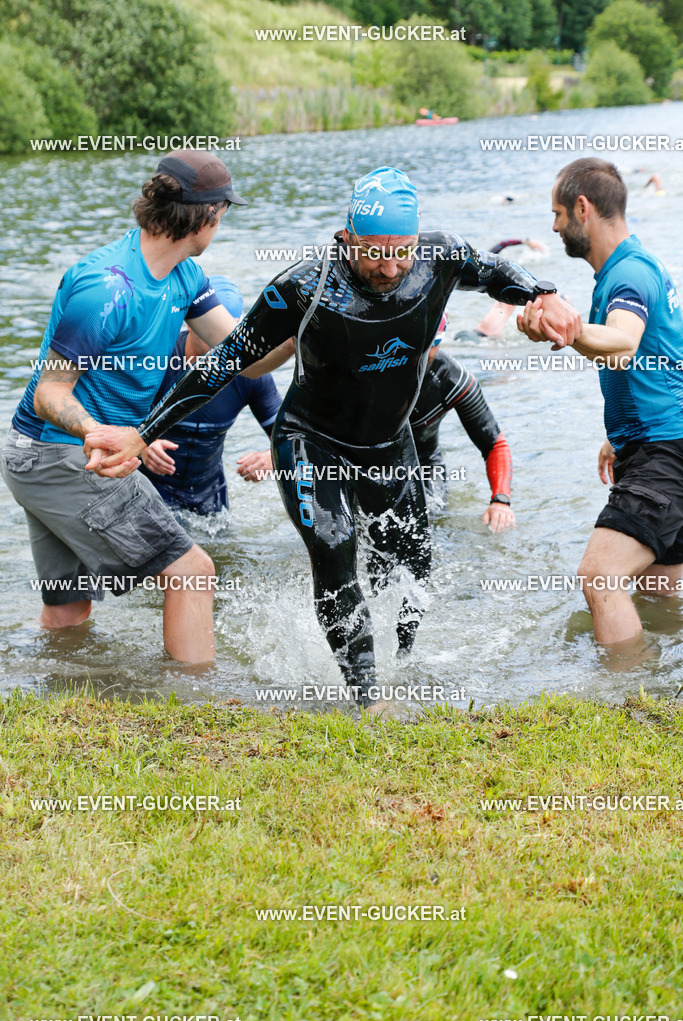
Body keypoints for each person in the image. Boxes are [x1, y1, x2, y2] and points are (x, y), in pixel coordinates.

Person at [86, 166, 577, 712]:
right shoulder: (303, 287)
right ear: (345, 240)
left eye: (401, 252)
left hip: (388, 444)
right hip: (309, 440)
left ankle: (405, 668)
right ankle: (368, 698)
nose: (389, 268)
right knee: (334, 542)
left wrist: (544, 292)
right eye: (373, 253)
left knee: (412, 563)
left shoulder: (441, 257)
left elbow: (493, 271)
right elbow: (224, 364)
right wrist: (142, 434)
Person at [0, 150, 249, 664]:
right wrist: (100, 432)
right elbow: (51, 392)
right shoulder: (107, 288)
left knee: (69, 614)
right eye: (222, 216)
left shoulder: (186, 278)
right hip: (61, 453)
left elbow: (246, 355)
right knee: (192, 571)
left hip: (38, 458)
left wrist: (304, 320)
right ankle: (197, 707)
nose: (219, 227)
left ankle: (28, 673)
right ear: (204, 216)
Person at [518, 157, 683, 646]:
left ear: (582, 208)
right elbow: (663, 357)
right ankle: (662, 695)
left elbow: (625, 340)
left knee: (600, 576)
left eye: (558, 213)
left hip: (663, 455)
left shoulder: (627, 275)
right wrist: (617, 437)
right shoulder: (639, 265)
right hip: (659, 446)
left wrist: (564, 331)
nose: (553, 225)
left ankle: (626, 699)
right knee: (662, 593)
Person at [140, 275, 292, 515]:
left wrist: (272, 459)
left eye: (231, 337)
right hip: (149, 486)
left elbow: (291, 438)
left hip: (210, 494)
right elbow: (108, 417)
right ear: (191, 323)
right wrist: (141, 444)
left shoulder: (252, 374)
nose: (223, 346)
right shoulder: (158, 360)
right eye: (213, 333)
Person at [409, 316, 514, 531]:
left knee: (429, 525)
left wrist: (500, 501)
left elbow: (494, 445)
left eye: (430, 346)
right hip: (362, 462)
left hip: (424, 465)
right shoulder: (368, 365)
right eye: (415, 345)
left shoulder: (452, 379)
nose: (420, 355)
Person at [454, 238, 548, 343]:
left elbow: (502, 244)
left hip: (472, 334)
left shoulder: (480, 265)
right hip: (483, 339)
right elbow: (502, 244)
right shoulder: (510, 293)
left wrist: (526, 241)